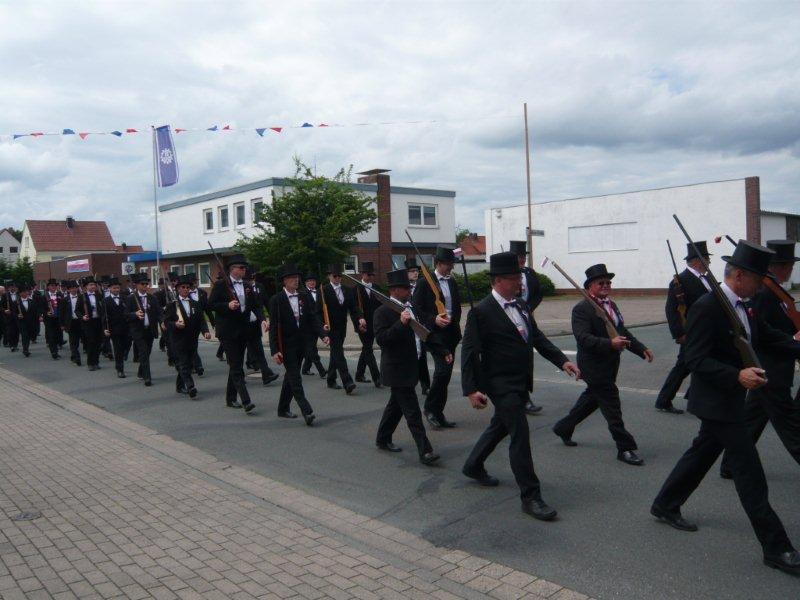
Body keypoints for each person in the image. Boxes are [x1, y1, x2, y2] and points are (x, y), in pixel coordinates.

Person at [652, 240, 800, 576]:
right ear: (740, 276)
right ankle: (777, 548)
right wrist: (737, 375)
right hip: (716, 402)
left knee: (702, 452)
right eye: (759, 278)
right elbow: (695, 359)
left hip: (729, 400)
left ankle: (665, 503)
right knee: (750, 473)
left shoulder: (745, 305)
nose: (762, 284)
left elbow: (766, 336)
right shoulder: (708, 307)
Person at [461, 252, 580, 520]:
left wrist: (562, 361)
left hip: (520, 381)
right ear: (498, 281)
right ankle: (531, 496)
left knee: (501, 425)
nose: (519, 282)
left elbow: (537, 338)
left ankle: (473, 464)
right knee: (520, 436)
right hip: (499, 383)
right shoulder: (481, 312)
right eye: (514, 278)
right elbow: (469, 352)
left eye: (519, 277)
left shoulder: (522, 306)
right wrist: (471, 390)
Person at [552, 264, 654, 465]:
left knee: (592, 399)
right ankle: (625, 447)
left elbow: (621, 332)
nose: (606, 285)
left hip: (610, 364)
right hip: (593, 366)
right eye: (601, 283)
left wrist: (640, 349)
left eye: (608, 282)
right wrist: (610, 344)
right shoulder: (582, 309)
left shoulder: (611, 305)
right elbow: (583, 338)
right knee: (611, 406)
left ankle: (564, 427)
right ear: (590, 286)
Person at [718, 240, 800, 478]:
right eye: (790, 265)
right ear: (780, 267)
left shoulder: (776, 292)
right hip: (770, 369)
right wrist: (793, 340)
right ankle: (731, 464)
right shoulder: (764, 294)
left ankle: (730, 464)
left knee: (752, 420)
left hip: (771, 369)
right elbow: (761, 334)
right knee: (791, 428)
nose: (791, 270)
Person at [374, 268, 450, 465]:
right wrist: (400, 324)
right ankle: (425, 451)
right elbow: (382, 340)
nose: (409, 291)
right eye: (406, 288)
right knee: (412, 411)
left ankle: (382, 438)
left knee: (395, 407)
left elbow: (425, 333)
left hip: (412, 366)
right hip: (396, 369)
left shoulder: (412, 308)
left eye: (409, 287)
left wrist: (443, 350)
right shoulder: (382, 312)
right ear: (394, 290)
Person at [655, 240, 713, 414]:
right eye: (706, 259)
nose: (709, 262)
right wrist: (679, 333)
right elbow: (671, 309)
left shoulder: (707, 278)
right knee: (683, 366)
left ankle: (692, 395)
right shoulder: (680, 281)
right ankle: (664, 400)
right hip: (691, 332)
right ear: (697, 261)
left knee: (702, 363)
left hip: (706, 331)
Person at [269, 263, 330, 425]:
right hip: (286, 346)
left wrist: (322, 335)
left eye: (297, 277)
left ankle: (282, 408)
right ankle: (307, 411)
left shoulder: (304, 297)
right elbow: (273, 327)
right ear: (284, 281)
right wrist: (274, 350)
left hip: (301, 344)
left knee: (290, 376)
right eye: (292, 278)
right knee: (295, 378)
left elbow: (312, 318)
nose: (296, 280)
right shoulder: (276, 300)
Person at [413, 246, 462, 429]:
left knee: (446, 375)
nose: (451, 267)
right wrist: (433, 319)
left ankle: (438, 412)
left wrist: (454, 322)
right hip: (434, 335)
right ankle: (430, 409)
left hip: (451, 334)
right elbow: (416, 309)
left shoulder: (452, 282)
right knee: (442, 371)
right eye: (449, 264)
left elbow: (456, 306)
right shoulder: (424, 282)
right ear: (439, 264)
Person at [209, 254, 258, 413]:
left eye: (245, 268)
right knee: (236, 366)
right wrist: (227, 305)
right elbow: (211, 304)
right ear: (232, 269)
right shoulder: (221, 285)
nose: (244, 270)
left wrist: (263, 319)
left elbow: (254, 305)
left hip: (243, 330)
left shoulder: (247, 285)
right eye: (241, 268)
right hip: (227, 331)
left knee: (236, 364)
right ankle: (246, 400)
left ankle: (230, 398)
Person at [509, 240, 545, 415]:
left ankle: (525, 397)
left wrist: (529, 307)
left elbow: (538, 293)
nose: (522, 259)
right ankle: (514, 396)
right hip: (510, 316)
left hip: (526, 315)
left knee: (526, 358)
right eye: (518, 257)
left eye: (523, 256)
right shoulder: (506, 274)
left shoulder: (530, 273)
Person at [321, 264, 365, 395]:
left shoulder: (347, 290)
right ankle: (348, 382)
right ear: (329, 276)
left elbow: (353, 307)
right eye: (335, 276)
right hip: (330, 328)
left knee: (336, 352)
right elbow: (317, 311)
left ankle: (330, 379)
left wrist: (360, 318)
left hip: (342, 327)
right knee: (339, 353)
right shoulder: (323, 291)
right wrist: (322, 325)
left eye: (339, 276)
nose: (337, 278)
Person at [164, 274, 211, 398]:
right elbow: (166, 322)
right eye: (183, 287)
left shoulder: (195, 304)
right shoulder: (172, 305)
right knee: (184, 363)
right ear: (177, 289)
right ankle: (190, 387)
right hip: (178, 339)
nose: (185, 289)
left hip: (192, 339)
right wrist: (175, 324)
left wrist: (205, 331)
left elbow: (201, 320)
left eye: (187, 287)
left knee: (189, 364)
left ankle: (179, 386)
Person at [244, 269, 279, 385]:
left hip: (255, 322)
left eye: (251, 279)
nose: (250, 282)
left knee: (259, 349)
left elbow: (263, 303)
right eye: (248, 280)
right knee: (239, 353)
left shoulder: (259, 287)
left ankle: (266, 375)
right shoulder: (239, 288)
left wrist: (266, 319)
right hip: (242, 325)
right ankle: (238, 377)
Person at [125, 273, 161, 386]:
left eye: (146, 284)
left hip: (150, 329)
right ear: (137, 285)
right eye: (142, 284)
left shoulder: (152, 298)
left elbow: (159, 312)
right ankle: (147, 377)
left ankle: (141, 371)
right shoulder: (131, 298)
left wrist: (163, 322)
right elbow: (125, 315)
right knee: (144, 352)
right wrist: (135, 314)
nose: (145, 286)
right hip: (138, 330)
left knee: (147, 352)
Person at [353, 261, 382, 387]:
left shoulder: (377, 288)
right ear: (363, 274)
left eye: (371, 275)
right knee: (369, 349)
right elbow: (354, 308)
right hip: (362, 325)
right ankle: (377, 378)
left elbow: (381, 306)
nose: (370, 277)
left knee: (366, 348)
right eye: (368, 275)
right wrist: (359, 319)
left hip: (374, 324)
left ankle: (359, 374)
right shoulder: (356, 289)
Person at [405, 257, 430, 396]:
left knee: (422, 356)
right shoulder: (404, 289)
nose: (415, 273)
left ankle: (425, 385)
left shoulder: (422, 286)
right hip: (408, 325)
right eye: (412, 271)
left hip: (421, 325)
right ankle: (409, 383)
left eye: (416, 271)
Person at [75, 277, 106, 371]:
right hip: (89, 322)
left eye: (94, 285)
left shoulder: (99, 295)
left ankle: (96, 361)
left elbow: (103, 307)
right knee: (91, 342)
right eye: (91, 285)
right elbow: (77, 310)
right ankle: (90, 363)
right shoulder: (82, 296)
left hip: (98, 321)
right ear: (86, 287)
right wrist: (82, 317)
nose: (93, 286)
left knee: (99, 342)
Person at [300, 273, 327, 377]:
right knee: (312, 348)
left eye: (313, 281)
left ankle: (305, 368)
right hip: (307, 326)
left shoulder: (320, 292)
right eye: (309, 281)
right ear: (306, 283)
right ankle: (321, 370)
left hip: (318, 324)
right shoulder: (302, 293)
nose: (312, 282)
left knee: (311, 347)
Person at [104, 277, 130, 378]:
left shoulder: (125, 298)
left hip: (126, 327)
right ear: (110, 289)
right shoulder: (105, 301)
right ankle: (120, 369)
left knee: (127, 345)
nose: (116, 290)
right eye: (114, 288)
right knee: (118, 349)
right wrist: (105, 329)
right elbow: (104, 317)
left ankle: (124, 354)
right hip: (114, 329)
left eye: (118, 288)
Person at [188, 275, 211, 375]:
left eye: (196, 280)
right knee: (190, 346)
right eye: (193, 281)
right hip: (187, 325)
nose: (195, 283)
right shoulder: (182, 295)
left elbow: (207, 309)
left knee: (193, 345)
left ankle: (196, 365)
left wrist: (211, 324)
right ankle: (196, 365)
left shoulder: (203, 293)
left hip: (199, 322)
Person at [59, 280, 83, 365]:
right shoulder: (64, 300)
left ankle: (73, 355)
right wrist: (62, 324)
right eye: (71, 288)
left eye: (75, 288)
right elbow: (61, 313)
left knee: (81, 339)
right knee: (73, 341)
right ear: (68, 290)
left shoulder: (82, 297)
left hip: (80, 321)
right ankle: (76, 357)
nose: (74, 289)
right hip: (71, 322)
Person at [16, 283, 39, 357]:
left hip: (30, 322)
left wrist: (39, 317)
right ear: (20, 293)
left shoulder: (31, 301)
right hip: (22, 322)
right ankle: (25, 349)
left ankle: (26, 347)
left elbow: (35, 311)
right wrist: (17, 315)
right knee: (24, 335)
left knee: (29, 335)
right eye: (24, 292)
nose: (26, 293)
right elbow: (13, 313)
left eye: (26, 291)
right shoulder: (16, 302)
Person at [42, 278, 63, 359]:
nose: (53, 287)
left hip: (58, 318)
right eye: (51, 285)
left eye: (55, 285)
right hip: (49, 319)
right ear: (48, 287)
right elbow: (40, 307)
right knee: (51, 336)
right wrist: (46, 313)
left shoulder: (60, 294)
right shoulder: (44, 296)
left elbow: (63, 306)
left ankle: (56, 348)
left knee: (58, 335)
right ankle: (54, 352)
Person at [2, 281, 20, 352]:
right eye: (11, 287)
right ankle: (11, 345)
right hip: (9, 317)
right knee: (10, 331)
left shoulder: (18, 294)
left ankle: (15, 345)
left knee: (17, 331)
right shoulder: (5, 295)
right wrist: (5, 310)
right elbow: (1, 306)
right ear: (9, 288)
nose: (13, 288)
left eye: (14, 287)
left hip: (17, 316)